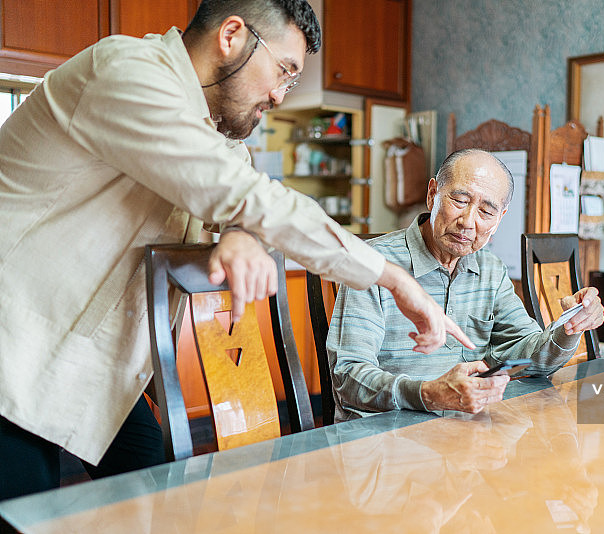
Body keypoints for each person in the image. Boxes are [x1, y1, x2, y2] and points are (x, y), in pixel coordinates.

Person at [0, 0, 471, 500]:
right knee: (29, 510)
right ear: (231, 36)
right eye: (283, 71)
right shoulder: (124, 73)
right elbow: (243, 193)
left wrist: (241, 231)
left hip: (86, 358)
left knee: (158, 502)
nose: (278, 95)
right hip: (16, 342)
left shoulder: (213, 131)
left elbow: (243, 195)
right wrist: (393, 276)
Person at [328, 148, 604, 421]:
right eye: (460, 200)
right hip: (384, 438)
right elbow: (348, 376)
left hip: (465, 431)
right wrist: (427, 394)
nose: (468, 222)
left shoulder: (490, 270)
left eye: (486, 211)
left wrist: (570, 326)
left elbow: (532, 357)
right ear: (432, 194)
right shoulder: (373, 264)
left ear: (499, 220)